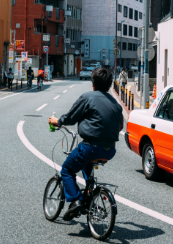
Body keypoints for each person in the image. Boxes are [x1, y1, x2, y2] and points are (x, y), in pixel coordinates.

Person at [48, 67, 123, 221]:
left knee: (67, 170)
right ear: (110, 85)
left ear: (93, 84)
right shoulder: (116, 104)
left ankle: (76, 200)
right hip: (110, 150)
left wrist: (57, 121)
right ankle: (89, 192)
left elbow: (71, 117)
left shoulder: (87, 97)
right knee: (85, 162)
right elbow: (120, 126)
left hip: (90, 147)